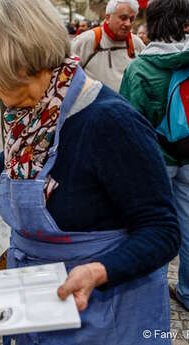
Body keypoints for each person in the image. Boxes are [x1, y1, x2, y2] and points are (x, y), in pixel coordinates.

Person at [0, 1, 180, 344]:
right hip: (42, 304)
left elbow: (162, 231)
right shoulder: (33, 115)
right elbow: (3, 173)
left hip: (105, 316)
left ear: (17, 65)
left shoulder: (110, 122)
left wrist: (101, 270)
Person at [120, 0, 189, 312]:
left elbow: (127, 124)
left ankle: (152, 296)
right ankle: (187, 291)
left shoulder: (141, 67)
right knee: (188, 224)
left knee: (152, 226)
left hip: (157, 158)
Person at [72, 0, 145, 92]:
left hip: (126, 105)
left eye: (131, 19)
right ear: (107, 17)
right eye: (123, 18)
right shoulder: (86, 40)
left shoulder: (137, 43)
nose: (128, 24)